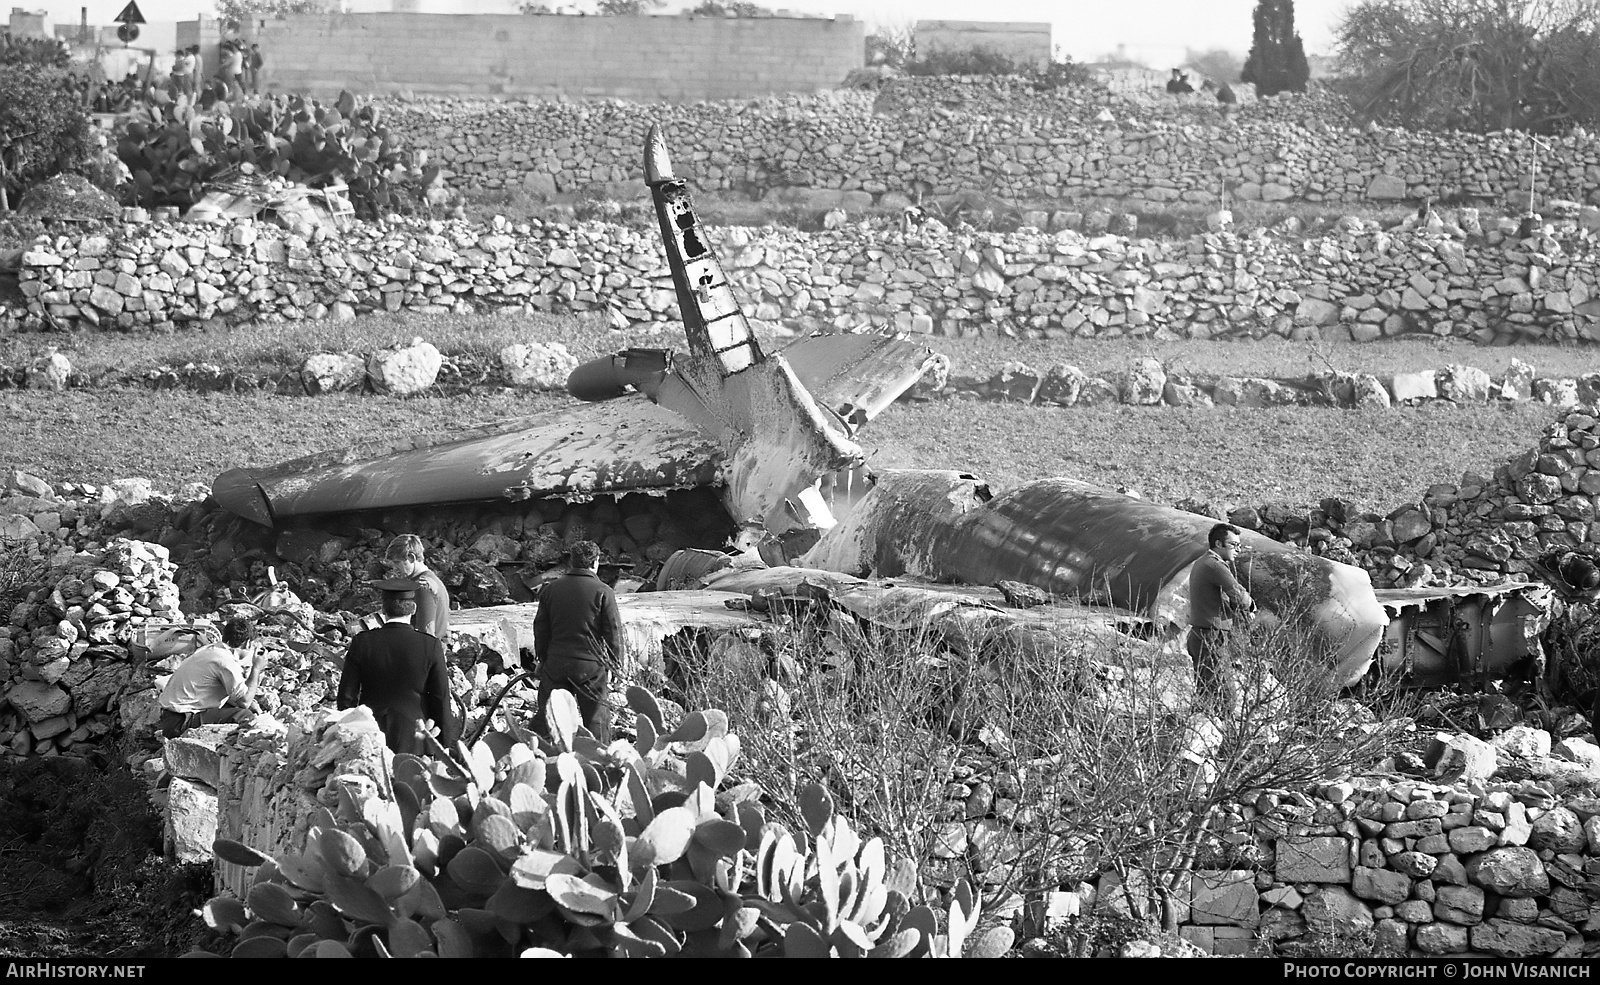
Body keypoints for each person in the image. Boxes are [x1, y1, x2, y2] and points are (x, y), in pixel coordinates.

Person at [337, 578, 459, 755]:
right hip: (415, 738)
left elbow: (346, 697)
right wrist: (445, 743)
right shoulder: (430, 645)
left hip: (369, 737)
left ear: (383, 609)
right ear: (414, 609)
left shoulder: (362, 642)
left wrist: (346, 735)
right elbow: (440, 697)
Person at [527, 541, 623, 740]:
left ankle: (535, 756)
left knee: (550, 718)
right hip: (591, 668)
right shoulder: (603, 591)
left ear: (571, 561)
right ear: (595, 563)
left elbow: (541, 629)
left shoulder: (550, 589)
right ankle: (599, 763)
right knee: (596, 722)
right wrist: (615, 665)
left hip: (556, 663)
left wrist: (543, 659)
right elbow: (613, 632)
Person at [157, 616, 266, 738]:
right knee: (245, 716)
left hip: (172, 718)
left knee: (234, 707)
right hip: (182, 721)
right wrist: (256, 668)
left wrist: (250, 703)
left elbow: (229, 694)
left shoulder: (210, 650)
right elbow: (244, 701)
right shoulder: (225, 660)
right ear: (247, 643)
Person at [1188, 523, 1255, 715]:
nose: (1238, 550)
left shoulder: (1203, 562)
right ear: (1218, 544)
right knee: (1226, 696)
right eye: (1233, 544)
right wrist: (1251, 606)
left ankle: (1203, 737)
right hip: (1211, 636)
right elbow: (1238, 595)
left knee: (1206, 695)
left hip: (1201, 634)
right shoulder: (1214, 565)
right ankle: (1226, 741)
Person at [386, 534, 450, 643]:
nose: (395, 567)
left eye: (397, 562)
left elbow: (426, 635)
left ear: (411, 557)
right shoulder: (431, 579)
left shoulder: (423, 586)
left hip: (428, 652)